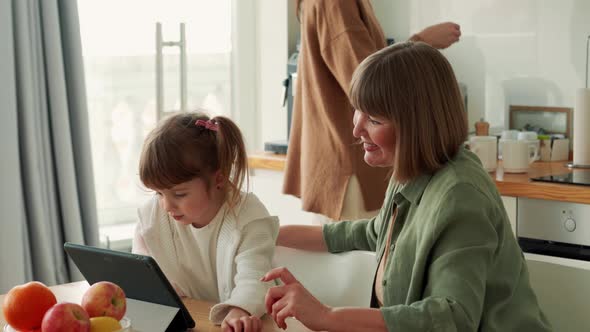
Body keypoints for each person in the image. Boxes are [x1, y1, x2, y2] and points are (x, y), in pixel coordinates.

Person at [262, 42, 552, 331]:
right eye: (358, 110)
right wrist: (271, 234)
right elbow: (375, 233)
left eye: (374, 119)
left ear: (417, 126)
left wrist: (326, 316)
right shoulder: (412, 171)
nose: (356, 129)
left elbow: (454, 317)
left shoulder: (460, 196)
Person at [284, 0, 462, 224]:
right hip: (351, 175)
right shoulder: (336, 3)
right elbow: (370, 86)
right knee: (368, 255)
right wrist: (422, 41)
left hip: (343, 171)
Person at [132, 112, 278, 332]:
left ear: (219, 179)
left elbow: (255, 279)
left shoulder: (249, 217)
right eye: (158, 194)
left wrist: (240, 311)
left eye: (179, 194)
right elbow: (142, 239)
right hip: (196, 322)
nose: (166, 206)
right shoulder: (157, 213)